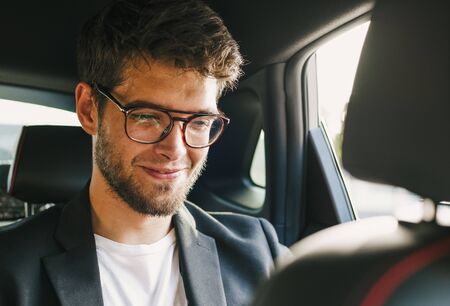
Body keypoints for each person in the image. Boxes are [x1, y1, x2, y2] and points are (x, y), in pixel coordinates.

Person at [0, 1, 286, 305]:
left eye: (199, 122)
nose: (175, 149)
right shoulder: (9, 269)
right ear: (89, 110)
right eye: (147, 117)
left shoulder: (258, 251)